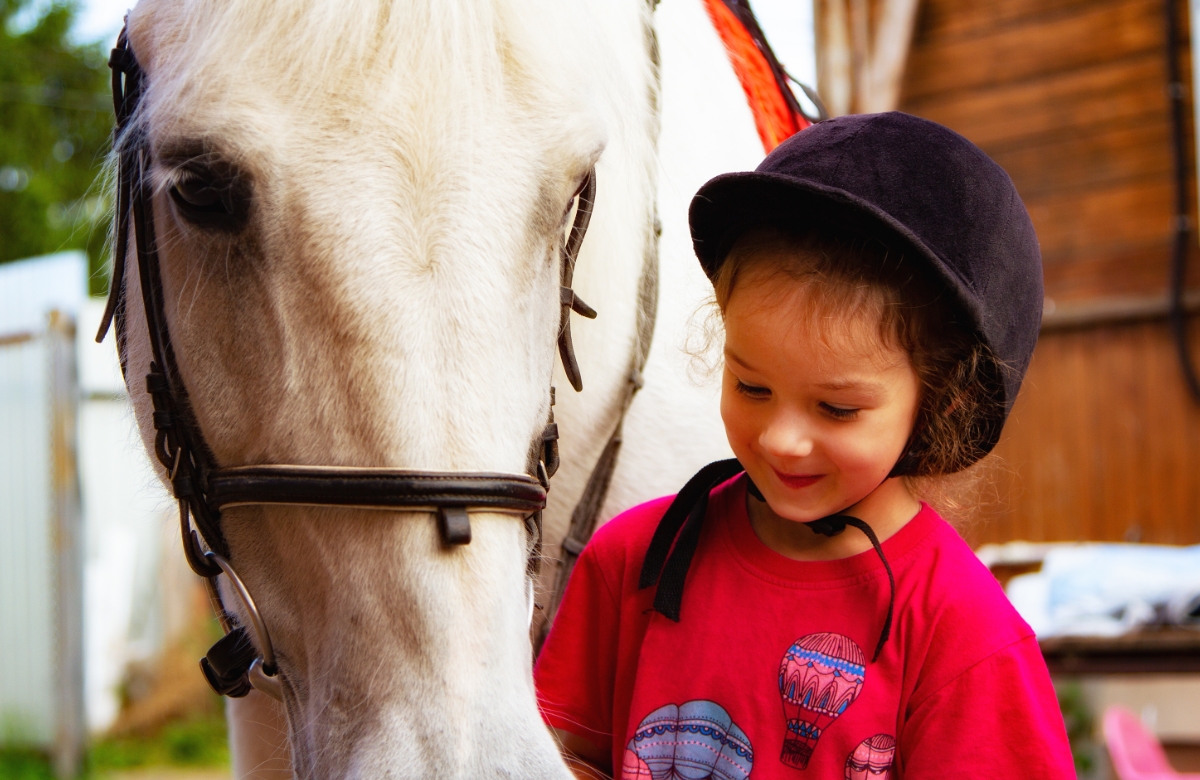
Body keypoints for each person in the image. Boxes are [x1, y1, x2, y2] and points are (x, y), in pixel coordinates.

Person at [534, 112, 1076, 779]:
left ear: (941, 406)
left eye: (836, 408)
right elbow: (561, 756)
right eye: (752, 387)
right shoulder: (630, 562)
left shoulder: (964, 637)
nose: (782, 440)